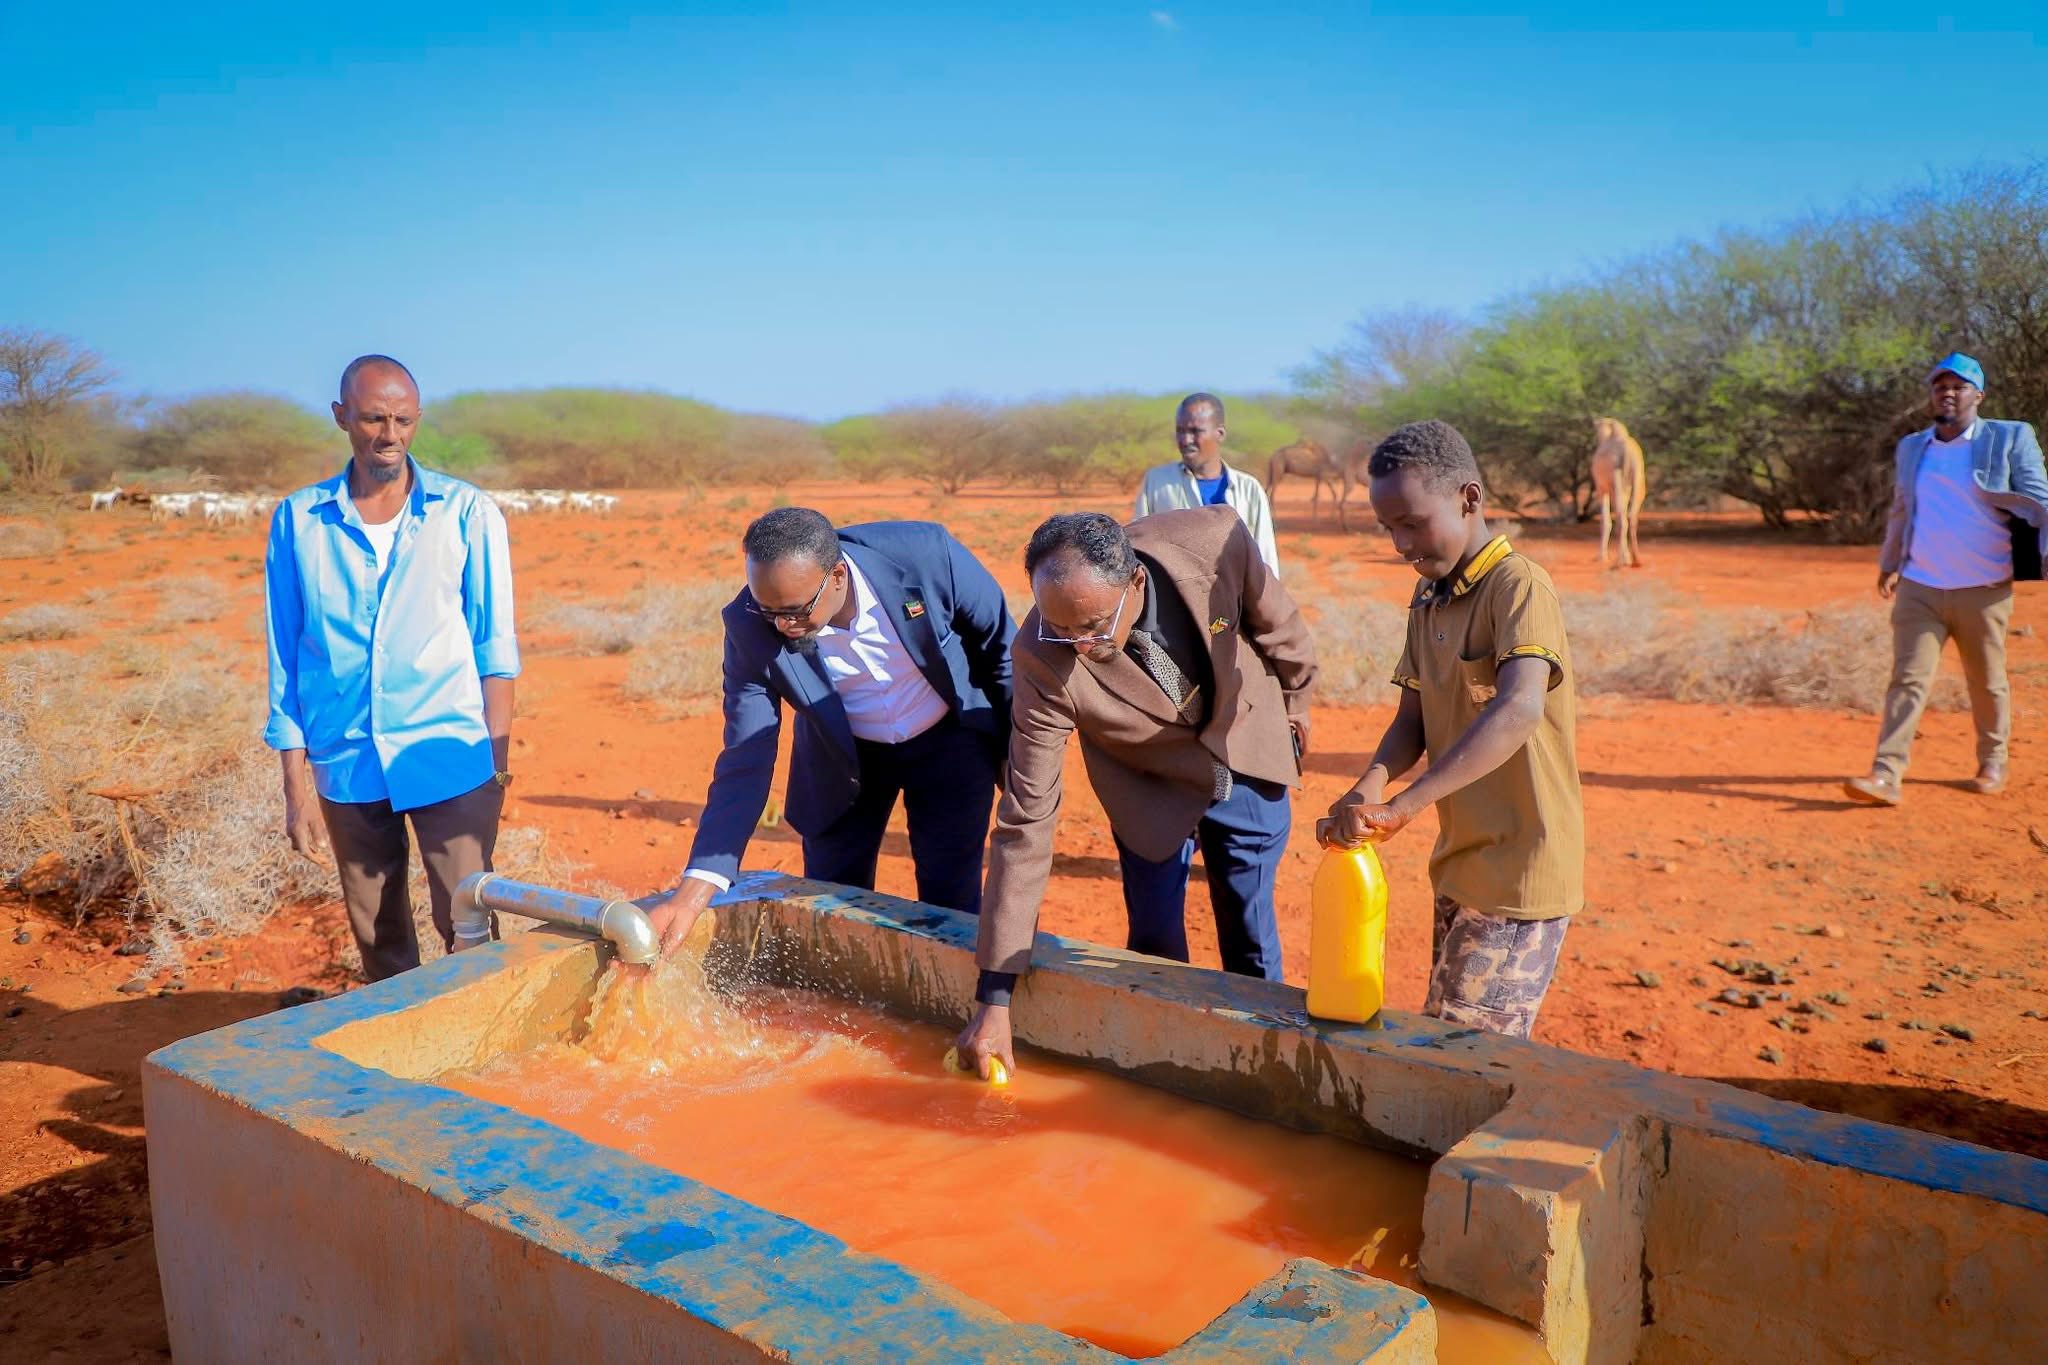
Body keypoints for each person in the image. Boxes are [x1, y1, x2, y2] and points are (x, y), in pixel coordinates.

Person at [954, 507, 1314, 1076]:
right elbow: (1026, 821)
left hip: (1246, 750)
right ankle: (1171, 1066)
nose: (1077, 644)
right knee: (1152, 941)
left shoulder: (1212, 542)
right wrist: (994, 996)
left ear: (1136, 583)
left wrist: (1297, 705)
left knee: (1247, 929)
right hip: (1147, 783)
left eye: (1093, 625)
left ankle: (1260, 1068)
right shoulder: (1040, 659)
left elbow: (1278, 623)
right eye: (1059, 627)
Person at [638, 509, 1014, 953]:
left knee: (951, 896)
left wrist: (1014, 762)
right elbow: (746, 755)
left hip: (948, 742)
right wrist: (698, 885)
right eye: (769, 610)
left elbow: (1002, 653)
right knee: (832, 906)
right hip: (842, 759)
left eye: (795, 611)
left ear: (837, 576)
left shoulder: (927, 557)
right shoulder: (748, 625)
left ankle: (960, 1010)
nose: (782, 626)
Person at [1322, 420, 1582, 1039]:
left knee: (1462, 1052)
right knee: (1449, 1033)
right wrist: (1371, 785)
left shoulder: (1517, 587)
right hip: (1462, 859)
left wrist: (1406, 805)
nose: (1399, 543)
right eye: (1389, 528)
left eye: (1412, 523)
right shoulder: (1429, 596)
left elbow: (1518, 710)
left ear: (1469, 499)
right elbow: (1412, 716)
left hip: (1520, 867)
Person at [264, 355, 519, 981]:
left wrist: (496, 766)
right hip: (345, 760)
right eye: (374, 418)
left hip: (450, 754)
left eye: (403, 420)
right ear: (341, 416)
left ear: (418, 419)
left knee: (471, 924)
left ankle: (484, 1053)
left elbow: (496, 648)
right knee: (379, 936)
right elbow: (286, 659)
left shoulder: (466, 512)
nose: (390, 435)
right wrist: (296, 791)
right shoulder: (300, 521)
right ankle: (402, 1058)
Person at [1845, 352, 2048, 806]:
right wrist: (1889, 562)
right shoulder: (1913, 447)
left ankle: (1993, 759)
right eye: (1940, 386)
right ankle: (1886, 773)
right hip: (1920, 586)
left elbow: (2041, 501)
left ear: (1979, 395)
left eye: (1959, 386)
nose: (1948, 393)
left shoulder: (2010, 438)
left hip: (1984, 587)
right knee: (1907, 680)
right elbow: (1902, 506)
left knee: (1987, 679)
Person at [1132, 393, 1282, 575]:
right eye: (1180, 431)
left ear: (1219, 433)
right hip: (1173, 600)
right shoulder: (1156, 482)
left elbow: (1265, 558)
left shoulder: (1249, 489)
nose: (1186, 440)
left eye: (1195, 431)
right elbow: (1138, 550)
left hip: (1235, 601)